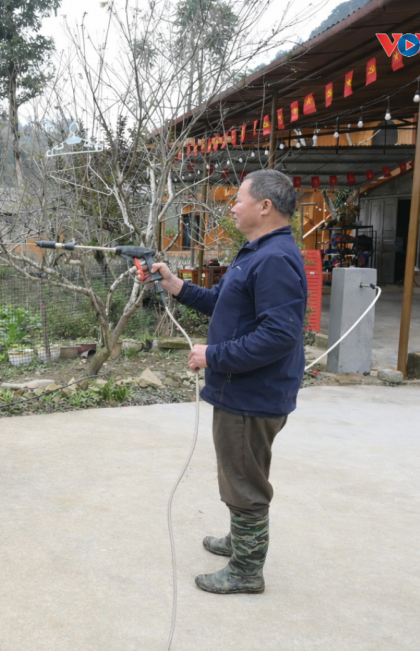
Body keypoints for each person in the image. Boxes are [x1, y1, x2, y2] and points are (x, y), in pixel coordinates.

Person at [152, 169, 308, 595]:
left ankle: (246, 570)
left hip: (252, 394)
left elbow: (279, 335)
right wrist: (175, 285)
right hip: (240, 389)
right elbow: (223, 305)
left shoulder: (274, 259)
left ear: (265, 206)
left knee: (244, 479)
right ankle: (241, 541)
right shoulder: (256, 252)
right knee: (240, 470)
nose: (232, 206)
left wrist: (212, 356)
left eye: (239, 199)